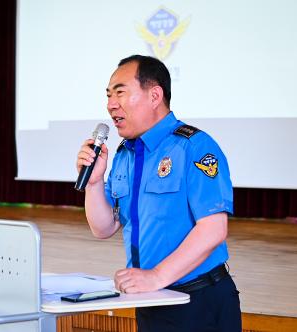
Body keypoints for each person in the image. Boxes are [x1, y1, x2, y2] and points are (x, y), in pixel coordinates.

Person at [76, 55, 242, 331]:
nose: (111, 105)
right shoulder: (125, 155)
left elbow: (214, 230)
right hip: (153, 300)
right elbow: (103, 228)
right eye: (108, 96)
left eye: (120, 93)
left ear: (155, 95)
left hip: (199, 301)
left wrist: (155, 276)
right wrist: (94, 183)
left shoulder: (195, 147)